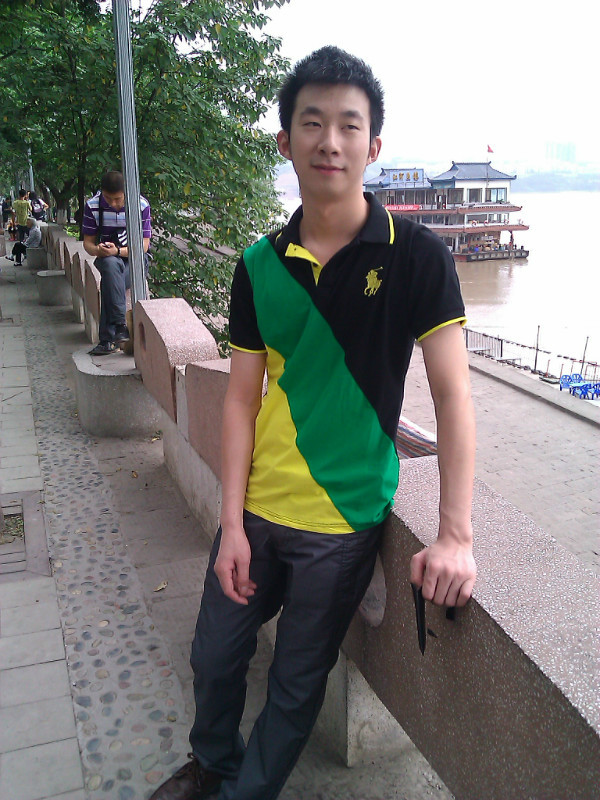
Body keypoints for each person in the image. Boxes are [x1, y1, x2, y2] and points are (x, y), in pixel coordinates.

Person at [151, 46, 476, 800]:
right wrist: (231, 522)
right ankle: (212, 764)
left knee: (297, 686)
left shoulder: (417, 257)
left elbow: (454, 397)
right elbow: (240, 398)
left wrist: (455, 535)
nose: (330, 141)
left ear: (373, 145)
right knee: (214, 657)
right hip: (258, 510)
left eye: (349, 125)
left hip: (344, 520)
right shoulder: (258, 264)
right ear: (285, 141)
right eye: (312, 122)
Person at [82, 170, 151, 355]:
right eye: (108, 199)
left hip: (135, 261)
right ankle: (120, 325)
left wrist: (118, 251)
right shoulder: (93, 206)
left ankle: (108, 338)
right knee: (111, 266)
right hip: (108, 259)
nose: (113, 204)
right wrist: (98, 250)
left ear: (126, 192)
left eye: (118, 199)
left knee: (110, 280)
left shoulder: (140, 205)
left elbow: (144, 247)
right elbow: (87, 243)